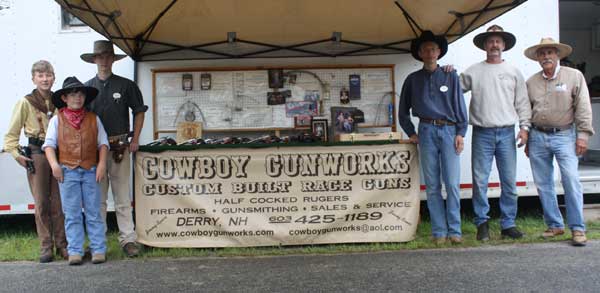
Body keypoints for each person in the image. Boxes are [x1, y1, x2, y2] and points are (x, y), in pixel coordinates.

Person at [460, 25, 531, 241]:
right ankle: (482, 223)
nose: (494, 45)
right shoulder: (473, 71)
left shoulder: (513, 72)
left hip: (507, 133)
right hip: (482, 133)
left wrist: (525, 128)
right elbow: (453, 91)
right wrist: (446, 74)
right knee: (479, 181)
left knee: (509, 181)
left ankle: (508, 224)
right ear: (484, 45)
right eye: (490, 41)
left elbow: (522, 102)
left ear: (504, 45)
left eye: (498, 41)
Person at [398, 31, 468, 244]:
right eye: (425, 49)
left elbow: (459, 105)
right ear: (420, 53)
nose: (430, 52)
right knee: (432, 184)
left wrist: (460, 133)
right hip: (426, 131)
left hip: (448, 130)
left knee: (452, 183)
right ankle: (439, 231)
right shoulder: (412, 80)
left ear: (439, 52)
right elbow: (403, 111)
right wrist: (411, 132)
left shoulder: (450, 75)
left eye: (433, 49)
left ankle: (455, 230)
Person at [524, 38, 594, 246]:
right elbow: (526, 111)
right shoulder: (531, 82)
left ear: (558, 55)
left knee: (571, 180)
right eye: (542, 53)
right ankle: (554, 225)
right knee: (543, 183)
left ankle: (578, 229)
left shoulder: (574, 76)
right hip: (537, 136)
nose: (546, 57)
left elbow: (583, 106)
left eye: (550, 53)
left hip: (565, 135)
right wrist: (527, 136)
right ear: (537, 58)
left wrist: (583, 135)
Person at [81, 40, 148, 257]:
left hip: (120, 147)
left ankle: (128, 239)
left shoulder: (126, 85)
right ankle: (98, 241)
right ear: (94, 60)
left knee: (122, 197)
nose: (104, 60)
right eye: (100, 57)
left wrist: (135, 138)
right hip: (95, 152)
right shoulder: (86, 89)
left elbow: (139, 111)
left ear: (113, 59)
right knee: (97, 200)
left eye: (107, 56)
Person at [3, 60, 68, 263]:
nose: (45, 79)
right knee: (41, 202)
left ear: (53, 77)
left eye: (48, 75)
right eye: (40, 75)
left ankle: (63, 245)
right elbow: (11, 135)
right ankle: (46, 246)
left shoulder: (60, 101)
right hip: (37, 153)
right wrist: (16, 155)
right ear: (34, 79)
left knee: (59, 203)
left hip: (58, 153)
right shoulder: (26, 102)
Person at [42, 76, 109, 264]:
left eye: (80, 93)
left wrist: (102, 164)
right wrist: (55, 165)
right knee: (71, 213)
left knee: (94, 211)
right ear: (64, 98)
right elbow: (49, 145)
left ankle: (98, 249)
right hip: (67, 171)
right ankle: (75, 250)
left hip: (90, 170)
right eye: (72, 94)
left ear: (85, 97)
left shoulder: (94, 119)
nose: (77, 97)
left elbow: (103, 143)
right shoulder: (57, 120)